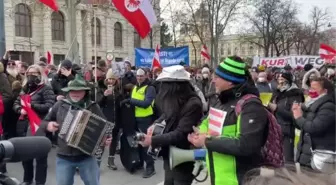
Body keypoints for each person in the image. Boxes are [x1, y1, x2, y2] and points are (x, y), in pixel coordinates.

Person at [188, 56, 269, 185]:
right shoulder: (220, 101)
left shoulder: (250, 105)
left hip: (240, 180)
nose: (213, 80)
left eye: (217, 77)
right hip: (218, 178)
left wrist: (207, 141)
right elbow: (206, 122)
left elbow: (247, 144)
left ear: (230, 81)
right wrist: (200, 133)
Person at [139, 65, 203, 185]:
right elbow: (168, 114)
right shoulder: (176, 100)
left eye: (165, 84)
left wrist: (152, 140)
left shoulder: (193, 104)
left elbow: (180, 134)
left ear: (175, 86)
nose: (162, 89)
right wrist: (155, 124)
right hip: (170, 155)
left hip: (184, 160)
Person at [39, 74, 108, 185]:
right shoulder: (60, 105)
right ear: (68, 91)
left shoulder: (92, 106)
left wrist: (105, 139)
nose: (75, 94)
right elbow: (42, 123)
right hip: (64, 156)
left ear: (85, 92)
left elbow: (105, 127)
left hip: (86, 156)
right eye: (72, 91)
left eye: (79, 91)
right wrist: (48, 125)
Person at [12, 64, 55, 185]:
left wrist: (32, 107)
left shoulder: (46, 88)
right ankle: (27, 180)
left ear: (40, 75)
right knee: (25, 156)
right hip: (23, 125)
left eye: (33, 74)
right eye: (28, 74)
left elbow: (49, 106)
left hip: (38, 125)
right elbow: (16, 103)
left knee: (40, 157)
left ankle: (40, 182)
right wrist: (20, 110)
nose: (30, 76)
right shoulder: (25, 88)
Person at [292, 77, 336, 170]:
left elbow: (314, 128)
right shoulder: (310, 105)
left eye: (314, 89)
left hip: (319, 158)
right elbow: (302, 126)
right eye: (310, 88)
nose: (311, 91)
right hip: (306, 155)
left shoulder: (328, 107)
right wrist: (296, 114)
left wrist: (299, 117)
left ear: (325, 91)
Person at [122, 68, 156, 178]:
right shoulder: (135, 87)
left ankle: (150, 167)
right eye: (138, 76)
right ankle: (141, 163)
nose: (139, 77)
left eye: (141, 76)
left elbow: (146, 103)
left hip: (145, 119)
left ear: (146, 75)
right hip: (135, 118)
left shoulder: (150, 88)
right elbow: (133, 102)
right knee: (137, 142)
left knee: (146, 143)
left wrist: (130, 101)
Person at [268, 72, 304, 163]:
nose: (280, 83)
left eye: (283, 81)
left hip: (287, 131)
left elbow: (294, 115)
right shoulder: (276, 93)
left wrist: (277, 109)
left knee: (287, 161)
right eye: (279, 81)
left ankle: (289, 177)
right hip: (273, 130)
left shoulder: (296, 95)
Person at [98, 69, 123, 170]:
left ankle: (111, 160)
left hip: (116, 119)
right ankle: (97, 160)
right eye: (109, 79)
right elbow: (98, 104)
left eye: (113, 79)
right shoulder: (101, 90)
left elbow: (120, 105)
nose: (111, 81)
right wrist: (104, 96)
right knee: (103, 140)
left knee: (114, 140)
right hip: (106, 119)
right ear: (106, 80)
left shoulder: (118, 91)